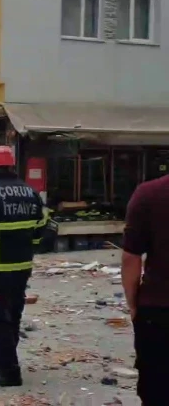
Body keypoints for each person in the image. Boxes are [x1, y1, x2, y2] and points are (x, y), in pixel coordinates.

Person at [0, 146, 46, 387]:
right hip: (23, 264)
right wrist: (30, 245)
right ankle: (4, 358)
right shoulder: (30, 191)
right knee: (13, 313)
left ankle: (9, 372)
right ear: (12, 164)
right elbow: (42, 225)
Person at [122, 173, 169, 405]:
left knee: (157, 391)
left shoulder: (149, 193)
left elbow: (131, 257)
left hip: (158, 311)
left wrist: (133, 305)